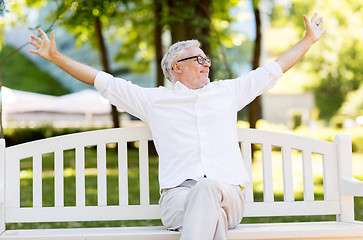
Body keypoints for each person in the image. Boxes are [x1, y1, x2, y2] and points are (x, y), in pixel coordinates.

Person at [29, 13, 325, 240]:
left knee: (209, 189)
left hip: (228, 195)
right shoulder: (154, 100)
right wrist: (54, 56)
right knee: (212, 219)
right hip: (178, 199)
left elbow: (273, 69)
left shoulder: (227, 91)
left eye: (207, 58)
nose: (206, 63)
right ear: (176, 68)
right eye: (198, 58)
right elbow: (101, 80)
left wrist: (309, 40)